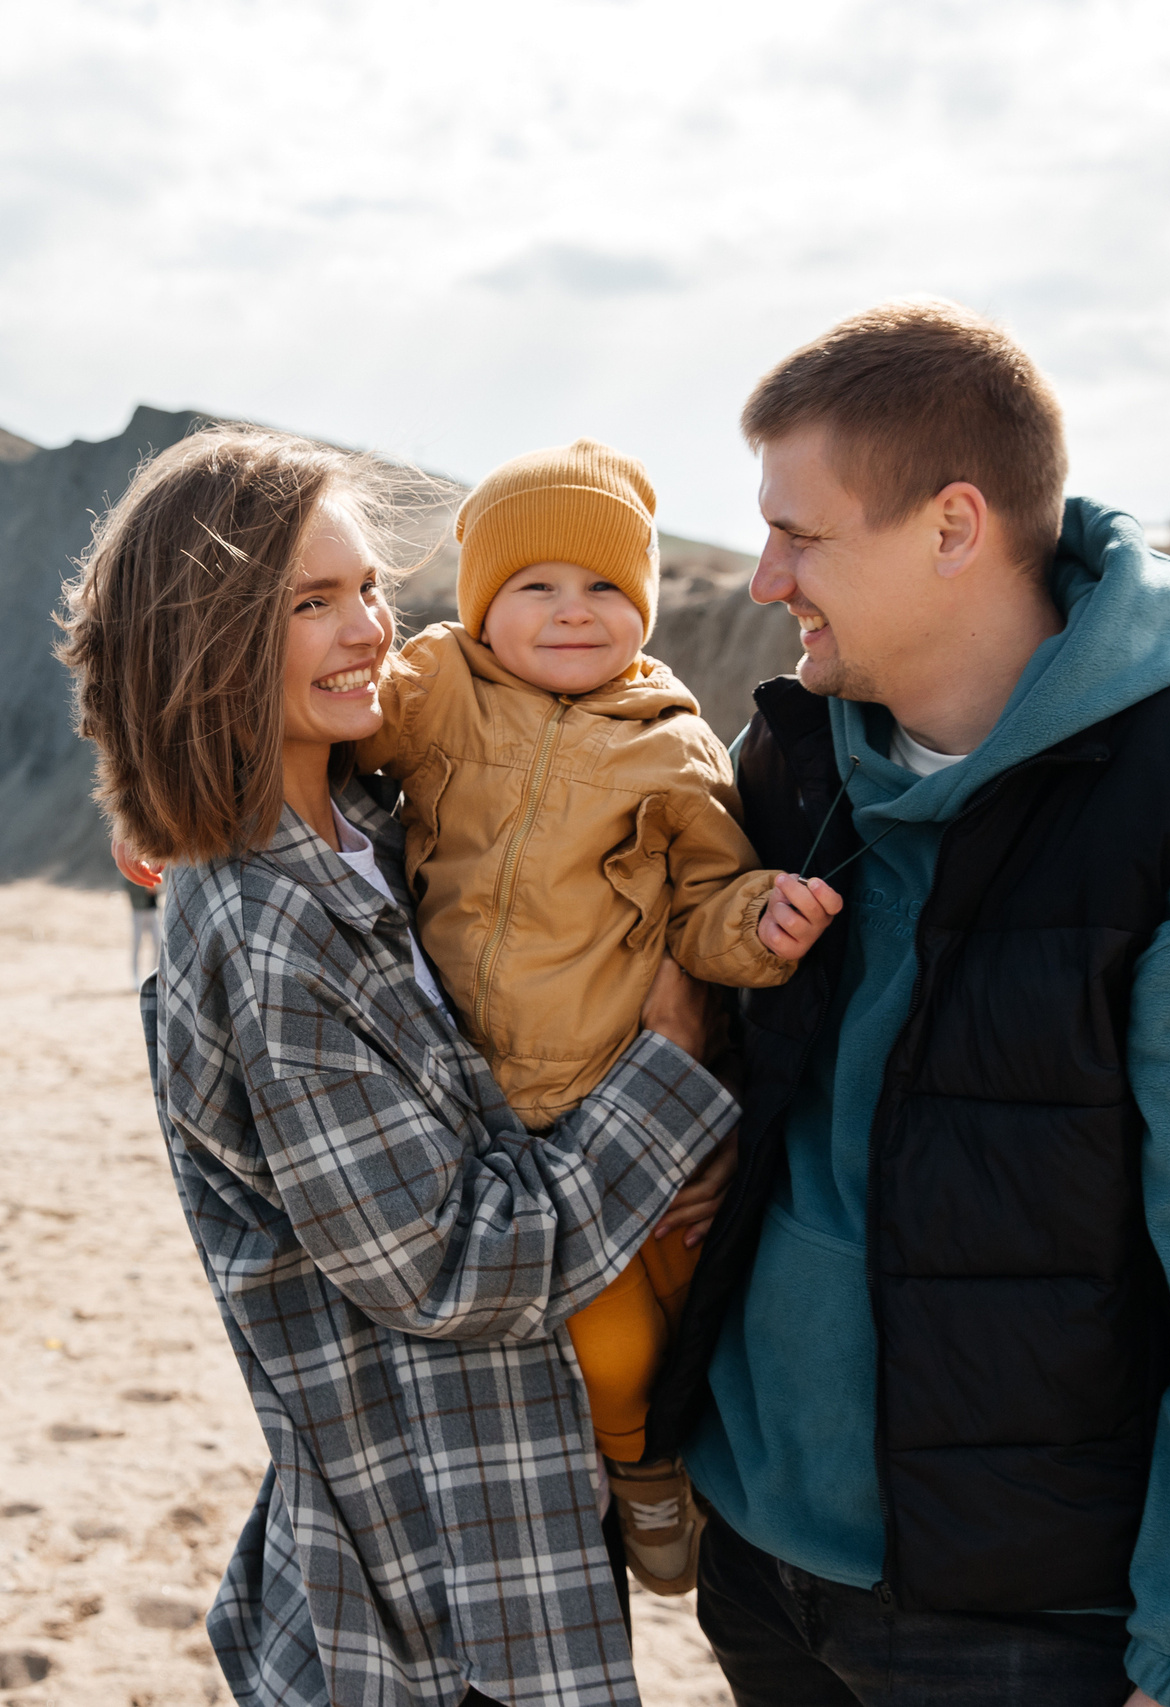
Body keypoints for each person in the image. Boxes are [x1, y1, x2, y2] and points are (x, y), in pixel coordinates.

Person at [642, 299, 1170, 1707]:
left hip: (1030, 1621)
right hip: (757, 1555)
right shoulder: (790, 761)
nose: (762, 577)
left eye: (802, 533)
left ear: (953, 525)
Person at [61, 424, 740, 1707]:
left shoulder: (385, 826)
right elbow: (448, 1266)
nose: (369, 628)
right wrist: (671, 1078)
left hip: (519, 1513)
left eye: (369, 587)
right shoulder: (266, 927)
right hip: (432, 1603)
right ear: (205, 637)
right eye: (310, 603)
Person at [348, 438, 842, 1596]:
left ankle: (647, 1474)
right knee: (498, 1344)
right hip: (453, 1098)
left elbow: (705, 905)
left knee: (624, 1345)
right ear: (481, 603)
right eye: (537, 587)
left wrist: (760, 926)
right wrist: (182, 813)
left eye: (607, 588)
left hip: (592, 1104)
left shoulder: (667, 745)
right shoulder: (433, 688)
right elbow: (315, 753)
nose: (575, 612)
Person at [124, 870, 160, 984]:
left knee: (158, 943)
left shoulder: (155, 864)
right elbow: (127, 884)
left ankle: (153, 975)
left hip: (153, 910)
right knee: (137, 945)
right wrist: (145, 887)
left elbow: (163, 884)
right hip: (139, 910)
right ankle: (135, 978)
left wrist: (155, 887)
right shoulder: (132, 865)